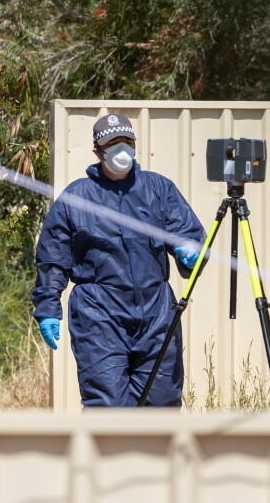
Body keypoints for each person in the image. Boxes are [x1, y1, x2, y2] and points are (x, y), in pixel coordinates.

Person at [31, 113, 205, 407]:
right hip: (98, 314)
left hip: (157, 311)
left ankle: (158, 454)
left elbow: (188, 233)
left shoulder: (159, 189)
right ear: (97, 151)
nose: (121, 149)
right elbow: (53, 258)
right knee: (108, 406)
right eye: (113, 143)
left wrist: (189, 250)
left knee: (162, 401)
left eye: (127, 141)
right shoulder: (77, 196)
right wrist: (48, 306)